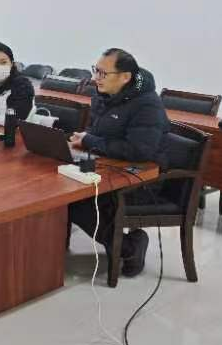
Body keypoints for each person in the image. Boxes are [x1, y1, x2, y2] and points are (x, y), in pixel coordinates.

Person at [68, 48, 171, 278]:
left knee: (74, 201)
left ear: (125, 77)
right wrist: (83, 140)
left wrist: (90, 141)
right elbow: (98, 133)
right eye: (95, 70)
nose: (96, 78)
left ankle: (130, 247)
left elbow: (139, 150)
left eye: (103, 73)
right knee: (61, 184)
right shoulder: (104, 95)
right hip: (111, 167)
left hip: (142, 181)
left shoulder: (147, 105)